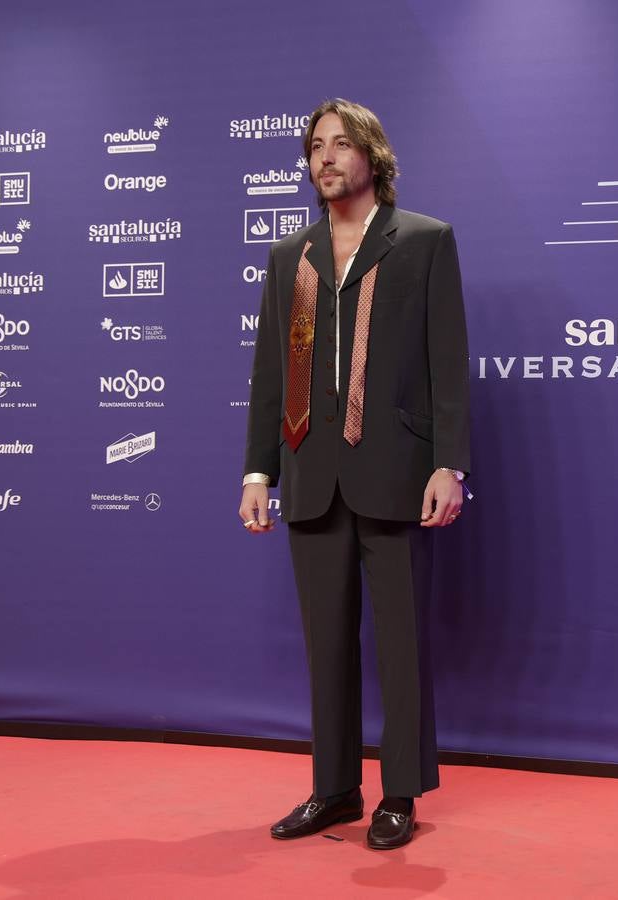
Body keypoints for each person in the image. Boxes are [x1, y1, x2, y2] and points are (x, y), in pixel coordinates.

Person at [239, 98, 471, 851]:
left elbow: (447, 366)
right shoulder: (291, 257)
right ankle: (334, 789)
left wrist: (448, 464)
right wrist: (257, 472)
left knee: (401, 644)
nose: (325, 158)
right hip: (311, 474)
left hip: (397, 471)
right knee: (326, 647)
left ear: (372, 155)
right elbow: (272, 375)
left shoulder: (424, 240)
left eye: (340, 144)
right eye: (315, 147)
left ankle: (399, 792)